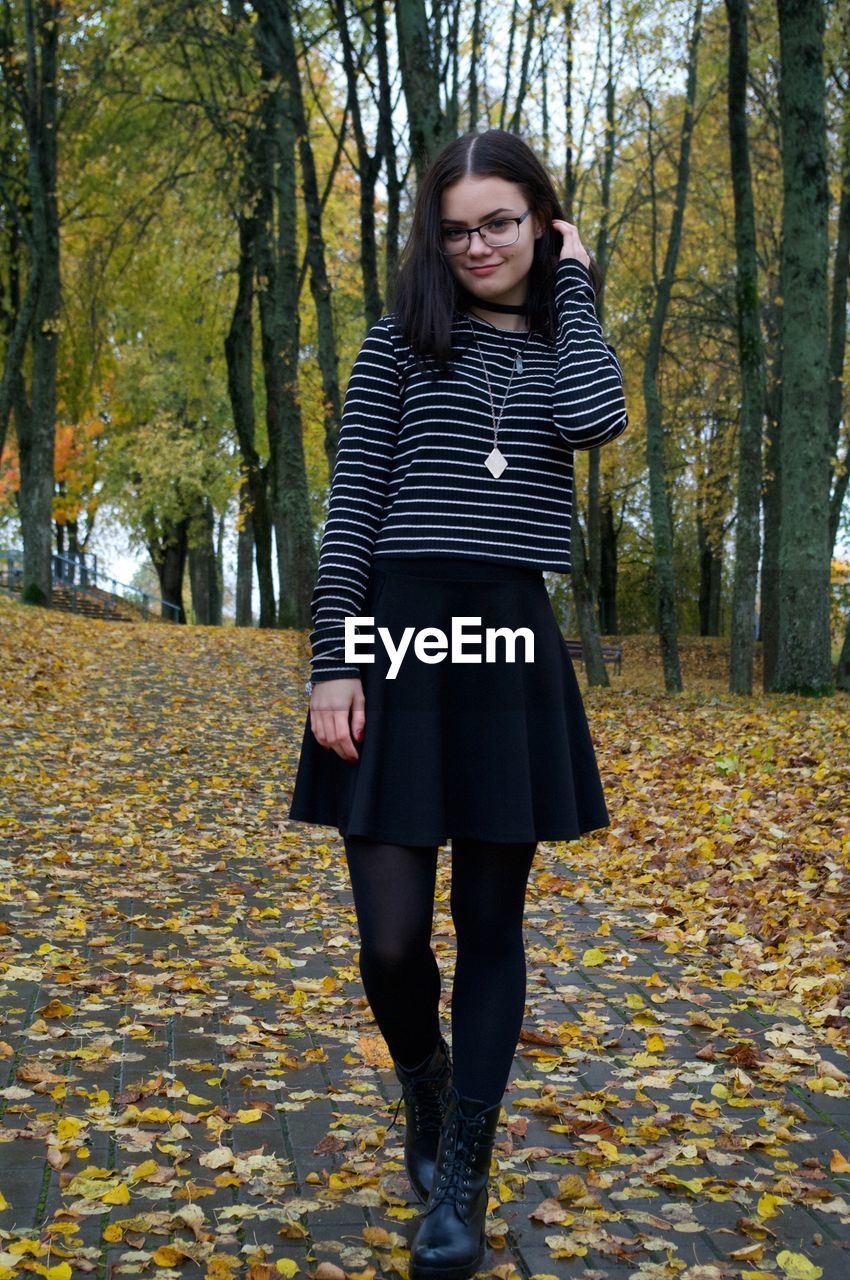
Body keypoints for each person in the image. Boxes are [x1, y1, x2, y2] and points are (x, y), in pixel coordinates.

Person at [288, 128, 628, 1280]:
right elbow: (351, 505)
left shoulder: (567, 340)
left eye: (501, 220)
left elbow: (592, 420)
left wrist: (573, 285)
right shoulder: (398, 342)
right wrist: (336, 656)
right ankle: (423, 1084)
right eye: (456, 227)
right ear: (432, 240)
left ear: (541, 219)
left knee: (491, 923)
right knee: (390, 938)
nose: (478, 244)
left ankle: (465, 1174)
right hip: (394, 638)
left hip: (506, 642)